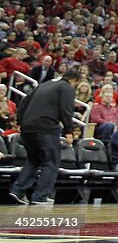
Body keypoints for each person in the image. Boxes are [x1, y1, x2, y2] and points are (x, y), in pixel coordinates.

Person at [8, 66, 80, 205]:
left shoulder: (44, 85)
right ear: (74, 80)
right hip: (46, 127)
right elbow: (66, 109)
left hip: (28, 128)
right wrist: (69, 131)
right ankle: (40, 196)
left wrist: (20, 121)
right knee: (51, 162)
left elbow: (24, 102)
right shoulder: (67, 87)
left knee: (34, 159)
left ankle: (17, 190)